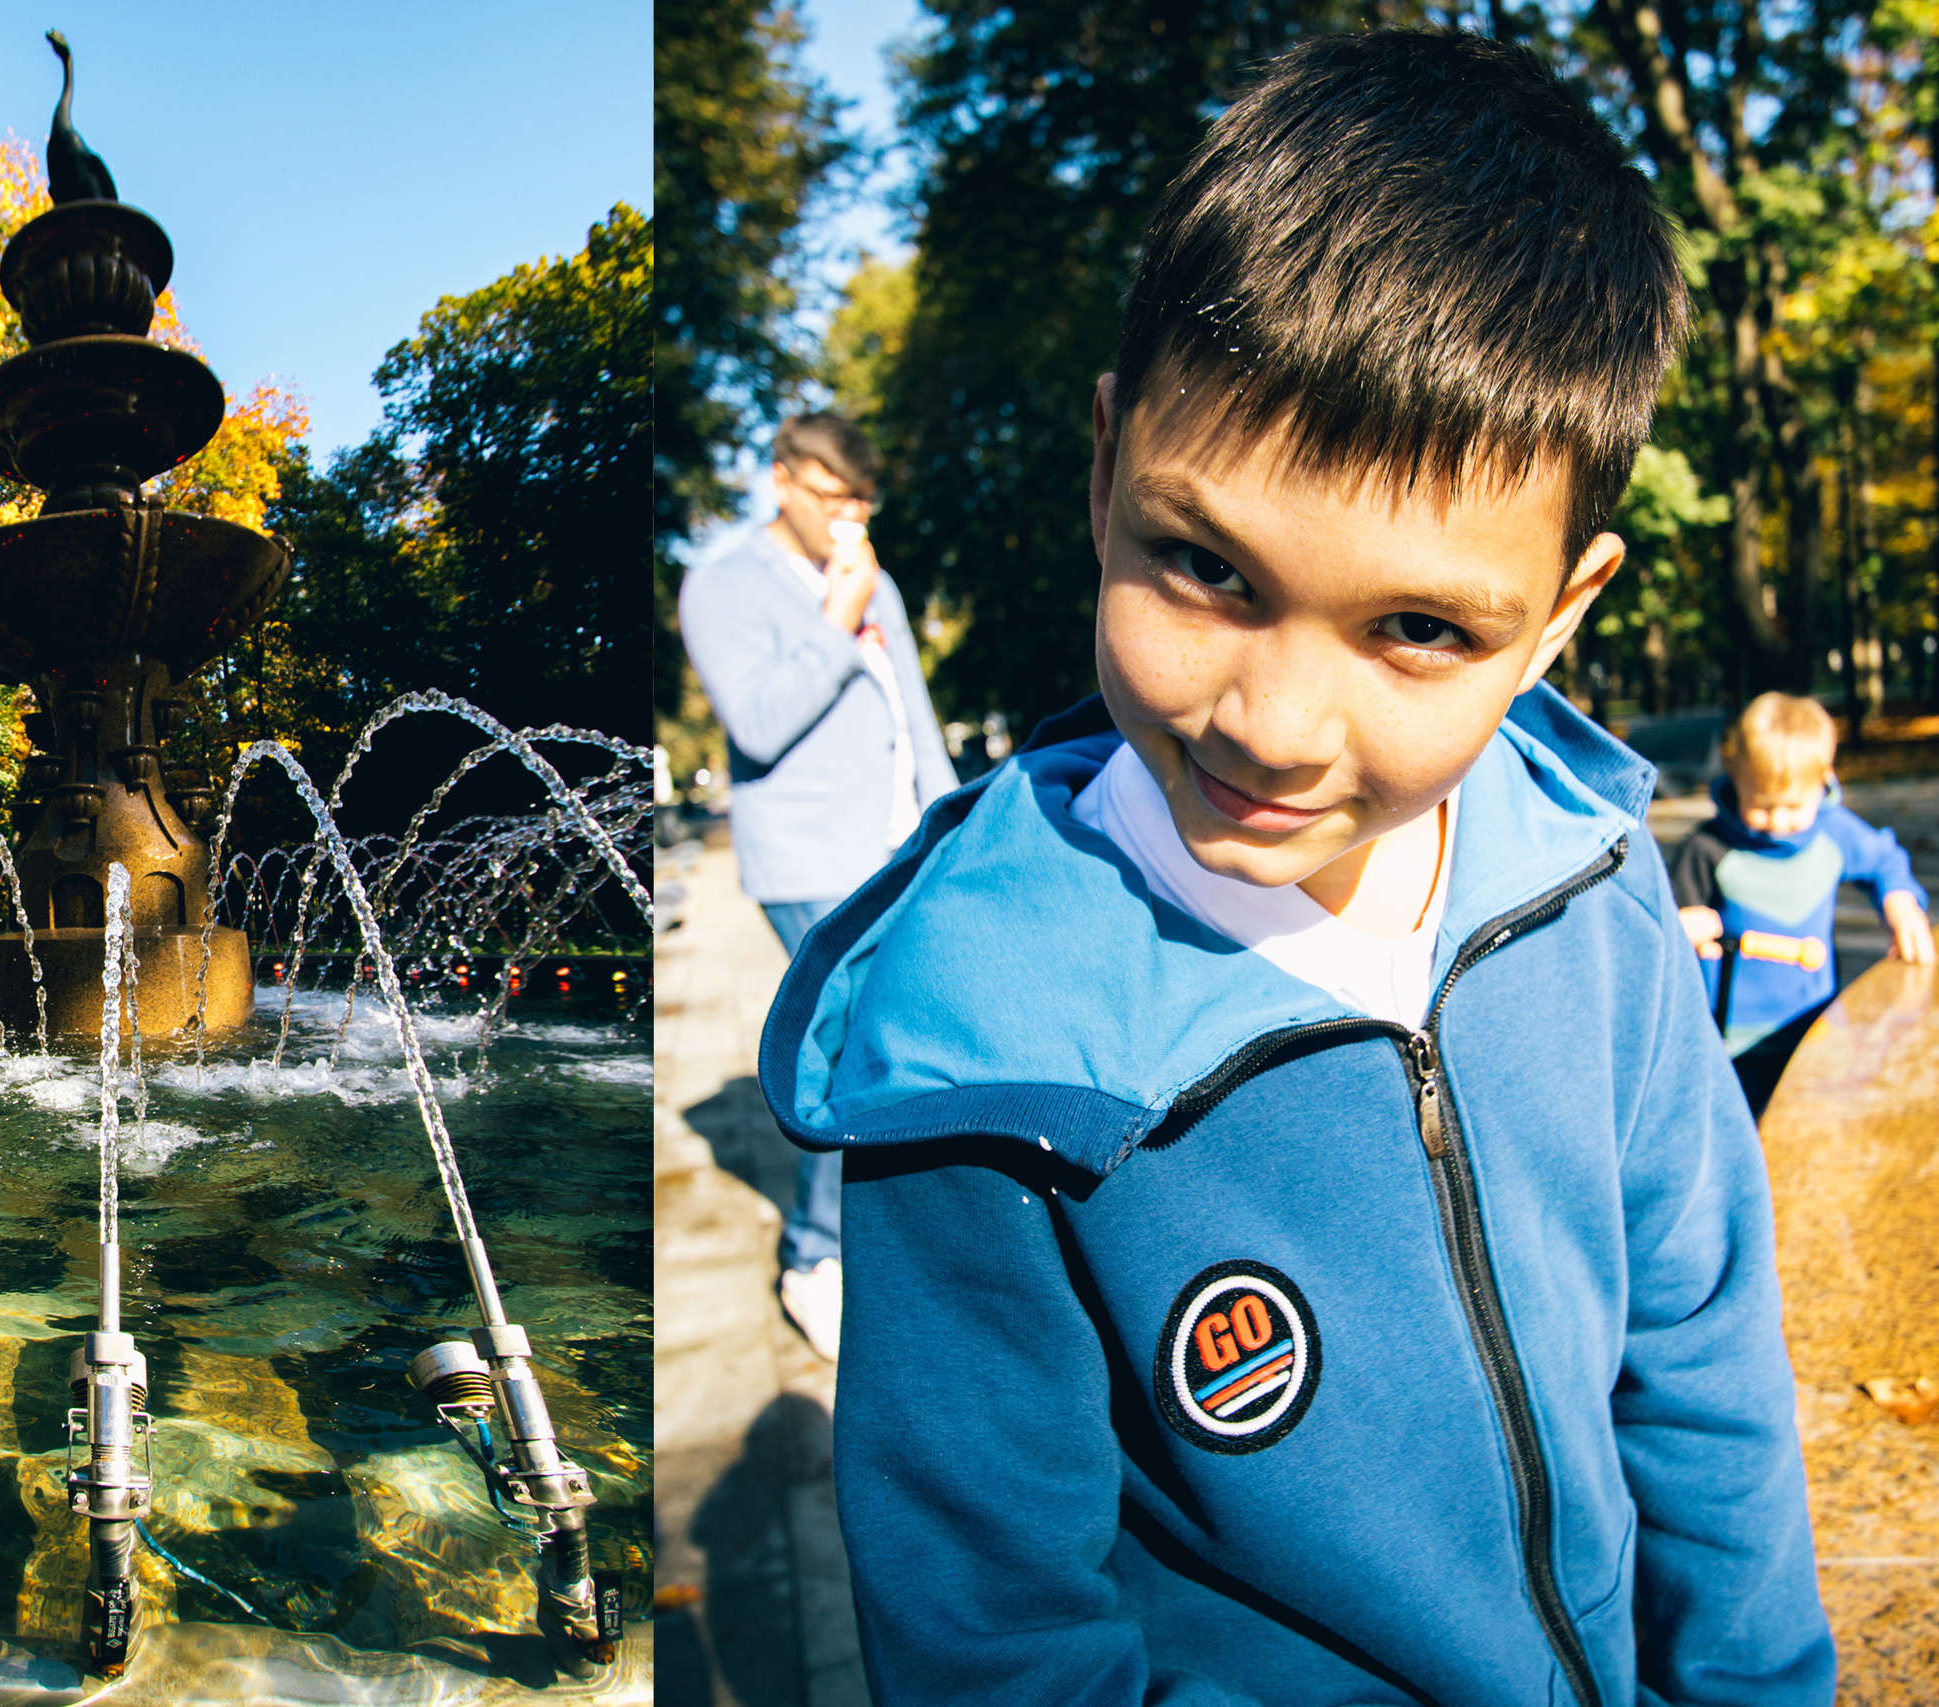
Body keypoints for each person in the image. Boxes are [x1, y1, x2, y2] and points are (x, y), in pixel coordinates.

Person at [758, 31, 1832, 1705]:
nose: (1272, 722)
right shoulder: (979, 1055)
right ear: (1107, 467)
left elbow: (1701, 1364)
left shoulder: (1598, 894)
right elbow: (993, 1638)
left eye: (1417, 629)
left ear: (1559, 616)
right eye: (1204, 566)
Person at [678, 412, 957, 1362]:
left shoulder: (874, 576)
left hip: (894, 845)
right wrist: (837, 619)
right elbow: (756, 723)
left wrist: (947, 826)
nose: (851, 518)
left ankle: (877, 1236)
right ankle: (813, 1258)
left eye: (862, 502)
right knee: (855, 1044)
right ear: (783, 479)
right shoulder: (720, 585)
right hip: (807, 858)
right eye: (835, 497)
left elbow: (912, 711)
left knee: (895, 1039)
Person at [1671, 690, 1932, 1112]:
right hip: (1732, 1039)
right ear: (1735, 776)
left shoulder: (1834, 833)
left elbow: (1884, 861)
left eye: (1793, 806)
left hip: (1816, 1024)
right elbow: (1667, 925)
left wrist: (1900, 902)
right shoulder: (1707, 849)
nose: (1777, 822)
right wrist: (1683, 926)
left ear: (1824, 780)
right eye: (1762, 805)